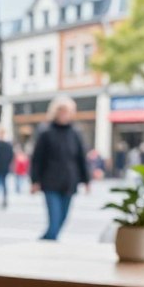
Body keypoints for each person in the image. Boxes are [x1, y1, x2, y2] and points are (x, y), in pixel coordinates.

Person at [31, 95, 90, 240]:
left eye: (67, 111)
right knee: (54, 222)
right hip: (50, 181)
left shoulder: (75, 133)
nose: (64, 114)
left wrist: (86, 180)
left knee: (63, 220)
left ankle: (42, 243)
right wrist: (35, 180)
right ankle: (48, 251)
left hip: (69, 182)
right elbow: (37, 159)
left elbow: (81, 158)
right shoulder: (46, 132)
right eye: (61, 111)